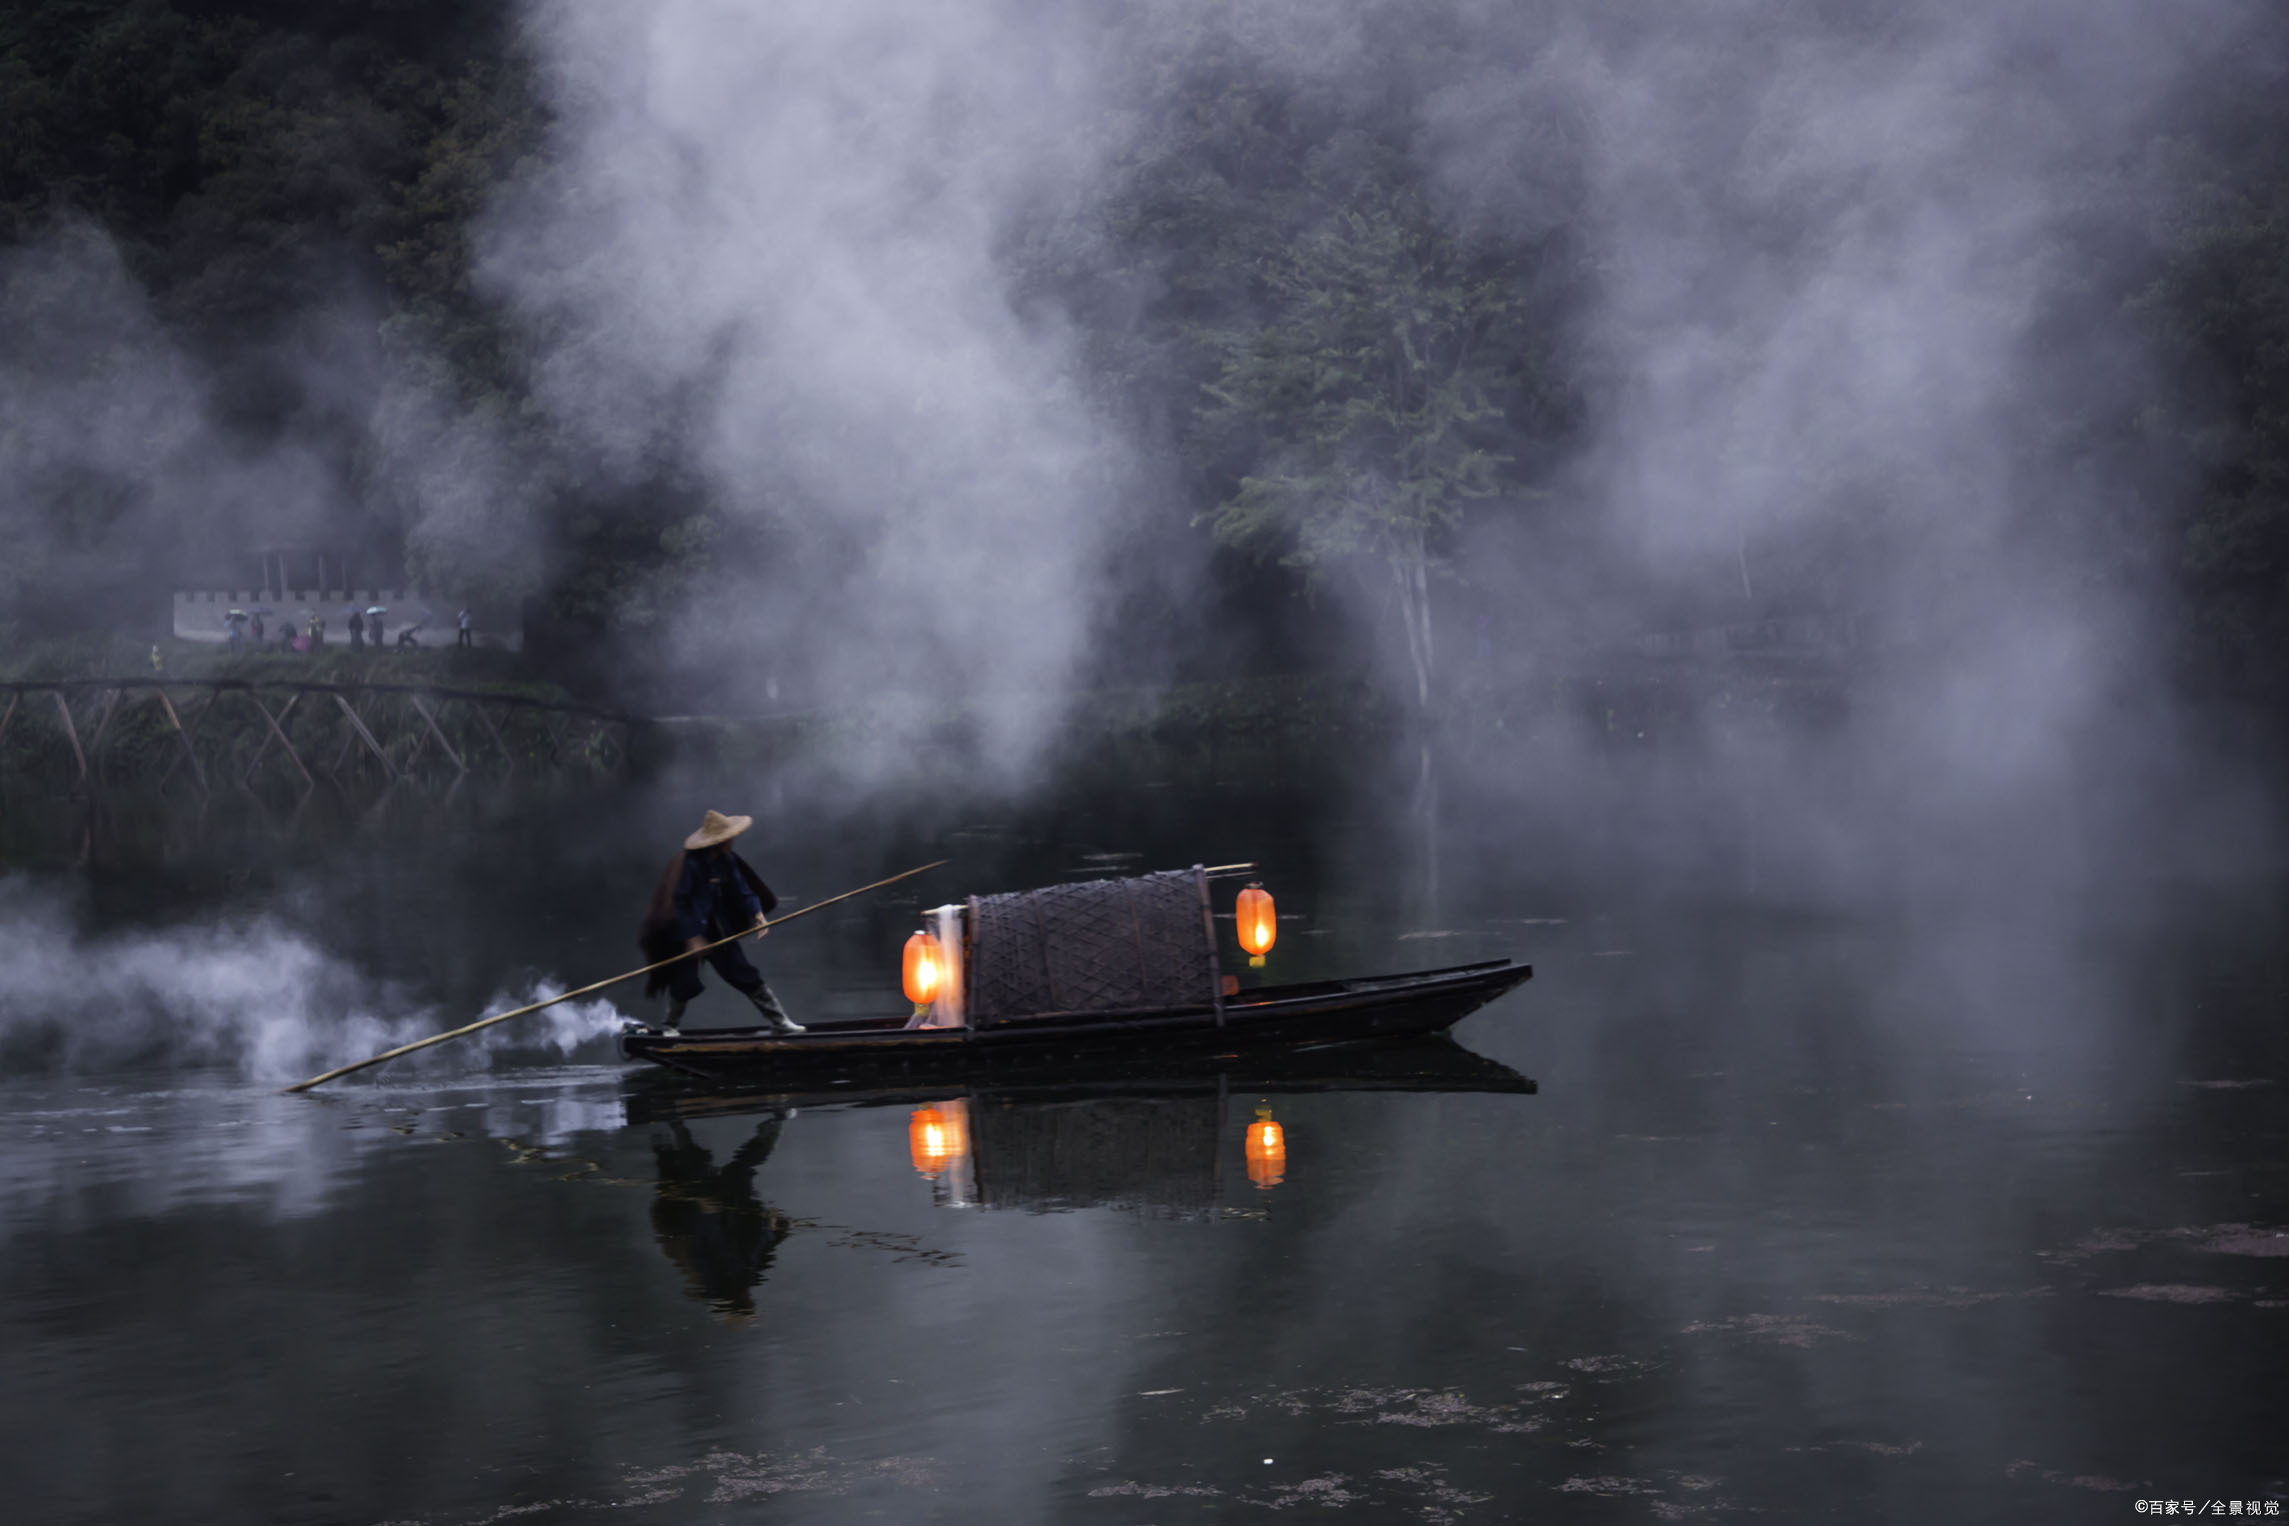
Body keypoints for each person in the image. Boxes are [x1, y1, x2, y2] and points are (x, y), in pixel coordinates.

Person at [637, 810, 804, 1035]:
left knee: (745, 973)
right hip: (687, 930)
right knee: (684, 982)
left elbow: (743, 890)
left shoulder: (727, 861)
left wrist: (757, 914)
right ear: (719, 841)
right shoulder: (691, 865)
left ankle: (780, 1022)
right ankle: (670, 1027)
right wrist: (693, 939)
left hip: (717, 929)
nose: (732, 841)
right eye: (729, 838)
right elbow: (680, 903)